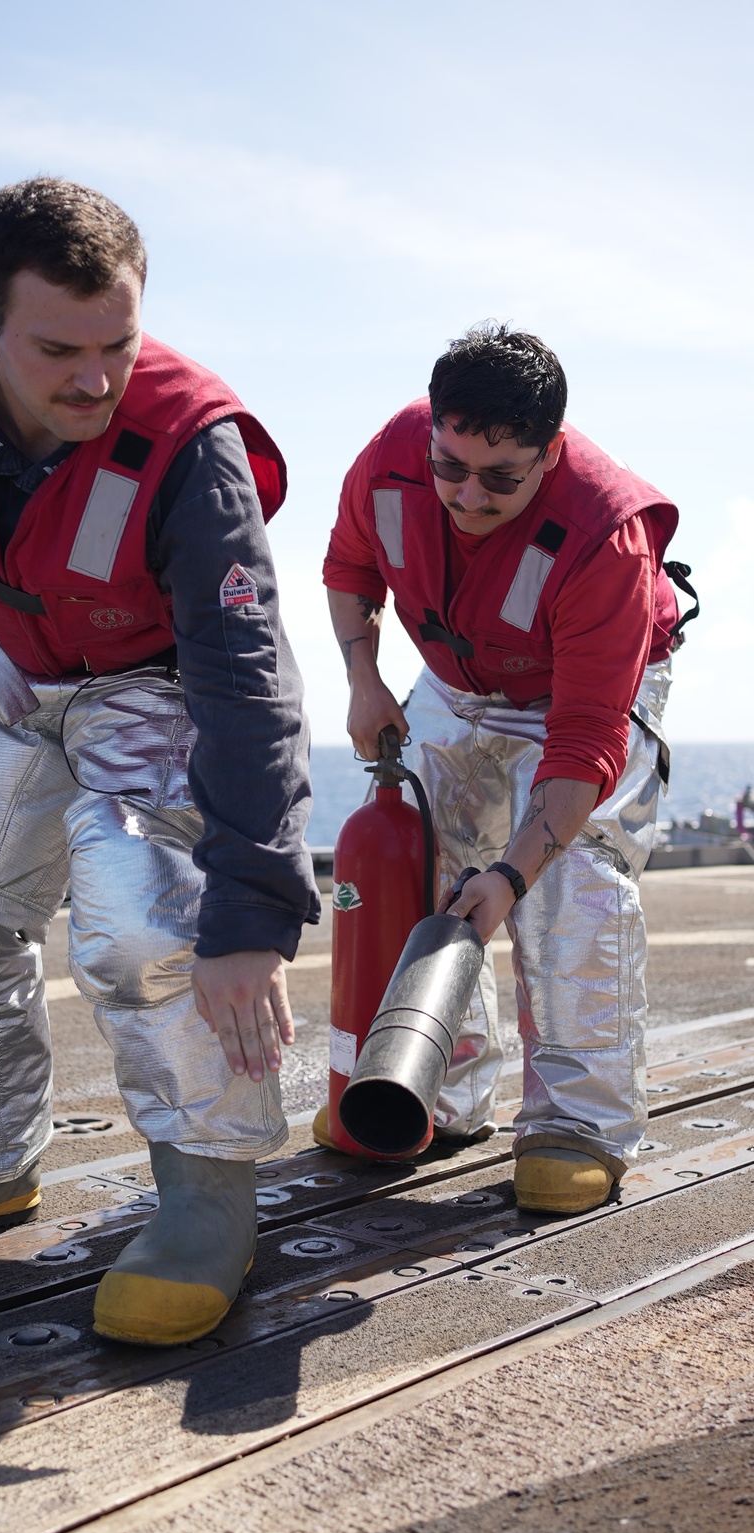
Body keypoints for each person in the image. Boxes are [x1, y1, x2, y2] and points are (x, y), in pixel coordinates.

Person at [0, 177, 319, 1345]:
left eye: (120, 342)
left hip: (156, 679)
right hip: (8, 662)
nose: (95, 379)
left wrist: (254, 913)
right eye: (59, 348)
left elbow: (247, 680)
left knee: (152, 921)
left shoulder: (190, 447)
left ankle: (209, 1202)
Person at [320, 323, 690, 1215]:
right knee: (424, 863)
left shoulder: (606, 534)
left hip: (580, 696)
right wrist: (364, 681)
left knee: (573, 882)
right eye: (450, 467)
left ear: (551, 453)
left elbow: (584, 752)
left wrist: (515, 872)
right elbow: (349, 568)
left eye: (500, 478)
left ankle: (577, 1122)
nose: (466, 496)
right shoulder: (391, 458)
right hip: (456, 677)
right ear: (434, 434)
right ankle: (433, 1089)